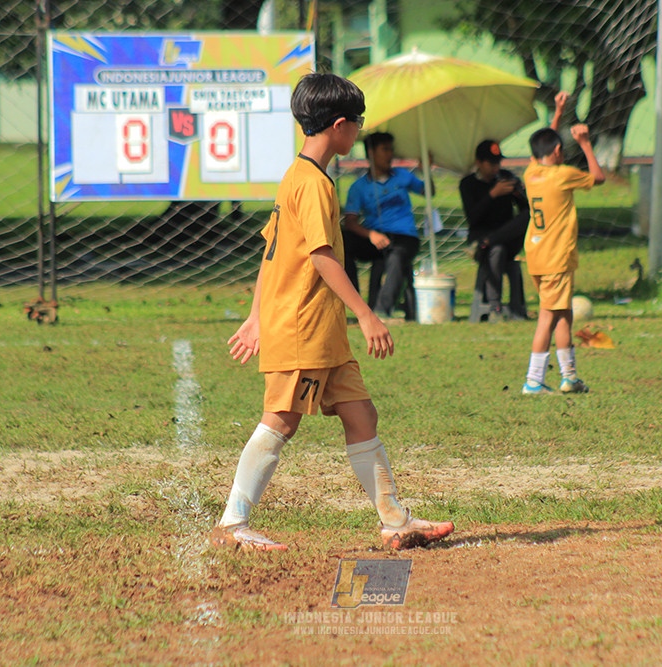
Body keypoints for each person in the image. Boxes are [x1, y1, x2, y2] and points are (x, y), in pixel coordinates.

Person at [212, 73, 454, 552]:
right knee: (281, 420)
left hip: (322, 332)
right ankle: (231, 524)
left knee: (361, 414)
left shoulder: (298, 176)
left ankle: (394, 521)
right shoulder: (314, 185)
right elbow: (322, 258)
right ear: (339, 125)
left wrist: (256, 312)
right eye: (358, 122)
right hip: (302, 327)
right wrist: (367, 314)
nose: (360, 130)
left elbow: (271, 252)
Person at [520, 123, 605, 395]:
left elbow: (543, 144)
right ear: (558, 151)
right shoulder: (562, 175)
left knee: (563, 315)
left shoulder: (530, 173)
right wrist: (585, 143)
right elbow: (598, 177)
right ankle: (534, 380)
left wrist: (556, 114)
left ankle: (569, 377)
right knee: (547, 316)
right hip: (557, 258)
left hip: (536, 256)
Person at [342, 132, 425, 320]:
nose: (390, 155)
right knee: (343, 240)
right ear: (371, 153)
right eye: (385, 150)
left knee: (396, 258)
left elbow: (428, 191)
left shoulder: (403, 176)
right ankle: (354, 298)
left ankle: (380, 311)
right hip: (376, 238)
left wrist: (425, 168)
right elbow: (350, 222)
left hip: (405, 238)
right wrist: (371, 235)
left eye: (391, 150)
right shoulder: (359, 187)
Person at [458, 139, 529, 321]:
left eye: (498, 163)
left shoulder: (505, 177)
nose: (496, 168)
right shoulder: (468, 184)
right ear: (478, 163)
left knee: (528, 216)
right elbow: (473, 218)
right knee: (496, 251)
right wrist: (492, 195)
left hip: (506, 237)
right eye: (491, 163)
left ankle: (490, 240)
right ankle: (494, 304)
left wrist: (519, 194)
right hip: (479, 240)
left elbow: (525, 212)